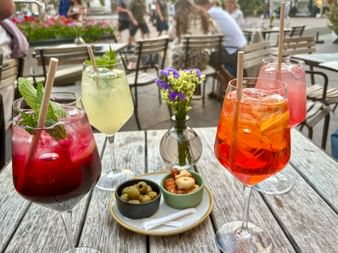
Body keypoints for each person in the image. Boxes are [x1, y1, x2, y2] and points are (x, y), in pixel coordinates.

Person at [169, 0, 219, 98]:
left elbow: (171, 35)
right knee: (192, 53)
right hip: (202, 60)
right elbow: (215, 31)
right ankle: (193, 84)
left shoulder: (179, 17)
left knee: (176, 55)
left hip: (184, 62)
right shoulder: (203, 14)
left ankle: (180, 91)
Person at [194, 0, 247, 77]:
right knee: (212, 55)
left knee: (206, 58)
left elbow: (202, 34)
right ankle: (225, 79)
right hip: (239, 49)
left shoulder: (210, 13)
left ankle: (225, 80)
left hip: (235, 52)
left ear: (200, 6)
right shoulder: (217, 11)